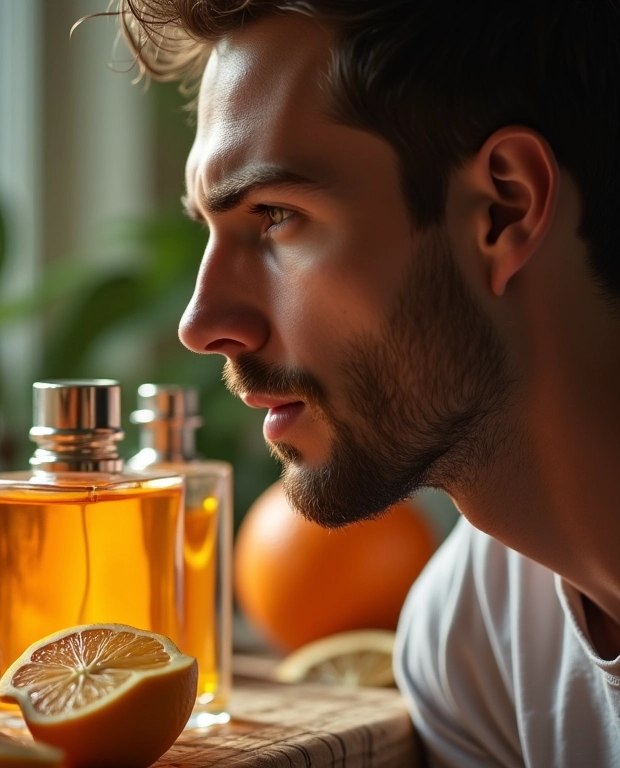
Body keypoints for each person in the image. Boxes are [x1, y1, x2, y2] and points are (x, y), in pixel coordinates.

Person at [106, 1, 620, 764]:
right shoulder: (472, 635)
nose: (202, 322)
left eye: (276, 215)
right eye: (212, 231)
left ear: (503, 207)